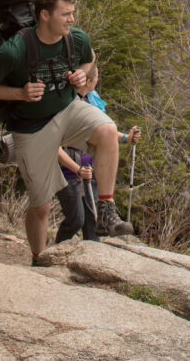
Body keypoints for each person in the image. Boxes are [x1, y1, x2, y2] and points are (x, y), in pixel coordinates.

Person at [0, 0, 134, 264]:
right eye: (66, 14)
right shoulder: (15, 49)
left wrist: (82, 75)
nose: (72, 19)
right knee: (41, 205)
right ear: (44, 15)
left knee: (107, 130)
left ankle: (105, 211)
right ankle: (38, 258)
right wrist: (19, 93)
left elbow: (89, 59)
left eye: (72, 13)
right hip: (31, 127)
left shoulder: (76, 39)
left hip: (67, 109)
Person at [55, 59, 143, 243]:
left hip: (91, 171)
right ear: (88, 80)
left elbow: (104, 133)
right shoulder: (65, 103)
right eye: (96, 76)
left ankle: (90, 260)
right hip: (69, 171)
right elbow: (54, 144)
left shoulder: (92, 100)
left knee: (94, 222)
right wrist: (77, 169)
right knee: (76, 219)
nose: (98, 80)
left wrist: (126, 138)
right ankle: (54, 254)